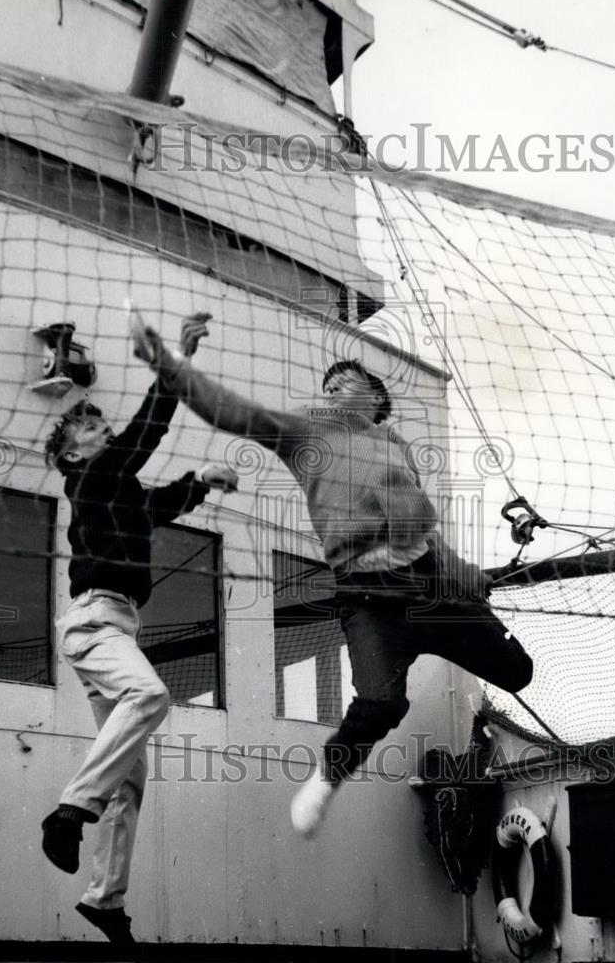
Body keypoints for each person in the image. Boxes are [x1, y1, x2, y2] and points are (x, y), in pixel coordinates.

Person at [133, 318, 533, 840]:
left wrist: (464, 575)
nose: (333, 387)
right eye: (327, 384)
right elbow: (233, 410)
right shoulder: (306, 432)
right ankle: (327, 777)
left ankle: (463, 622)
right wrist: (170, 365)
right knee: (381, 702)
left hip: (429, 585)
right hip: (367, 596)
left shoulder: (395, 447)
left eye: (347, 380)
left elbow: (427, 536)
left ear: (376, 399)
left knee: (518, 671)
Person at [40, 313, 237, 945]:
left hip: (117, 625)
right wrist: (174, 363)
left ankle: (105, 901)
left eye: (101, 424)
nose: (102, 431)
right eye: (91, 428)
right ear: (74, 452)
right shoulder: (89, 477)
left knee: (130, 783)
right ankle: (70, 809)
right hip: (95, 621)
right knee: (149, 696)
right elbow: (144, 434)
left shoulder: (116, 493)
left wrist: (200, 484)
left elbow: (156, 505)